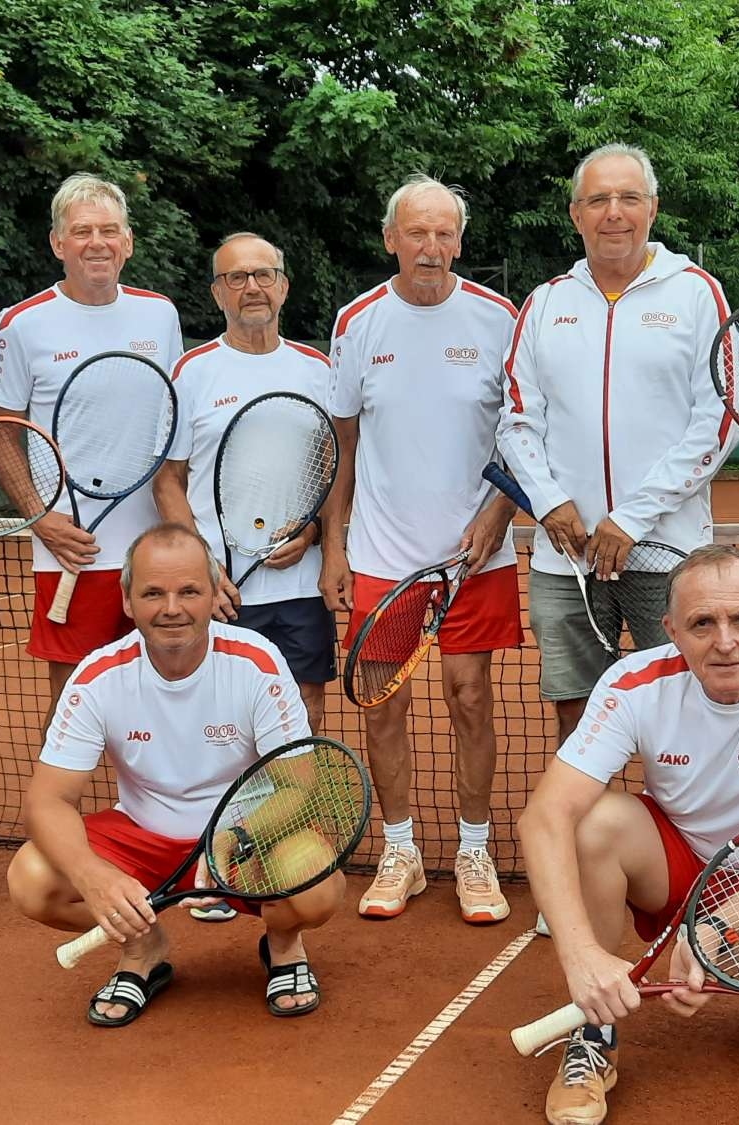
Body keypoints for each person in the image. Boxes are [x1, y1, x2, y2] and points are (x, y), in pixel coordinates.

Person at [519, 546, 739, 1124]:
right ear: (671, 629)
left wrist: (711, 933)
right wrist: (580, 958)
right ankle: (594, 1032)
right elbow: (543, 818)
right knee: (592, 822)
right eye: (702, 623)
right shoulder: (633, 683)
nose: (724, 641)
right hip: (677, 863)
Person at [7, 523, 344, 1026]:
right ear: (127, 601)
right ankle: (143, 947)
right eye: (153, 593)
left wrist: (232, 839)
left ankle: (284, 943)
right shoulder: (98, 676)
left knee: (316, 885)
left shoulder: (257, 663)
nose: (171, 608)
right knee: (31, 881)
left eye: (189, 591)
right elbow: (47, 801)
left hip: (245, 840)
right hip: (144, 837)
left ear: (214, 595)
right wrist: (93, 877)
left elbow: (299, 786)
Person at [320, 174, 521, 924]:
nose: (431, 248)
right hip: (380, 557)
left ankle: (475, 849)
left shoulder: (500, 317)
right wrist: (334, 549)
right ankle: (399, 849)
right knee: (383, 707)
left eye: (444, 233)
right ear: (391, 239)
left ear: (459, 241)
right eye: (417, 233)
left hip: (476, 558)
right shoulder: (357, 321)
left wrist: (500, 510)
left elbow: (523, 435)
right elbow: (342, 446)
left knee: (472, 700)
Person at [498, 143, 739, 751]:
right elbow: (516, 420)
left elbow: (721, 419)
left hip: (667, 552)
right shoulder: (546, 301)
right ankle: (589, 842)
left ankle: (692, 841)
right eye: (598, 199)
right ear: (576, 214)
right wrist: (551, 503)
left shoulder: (696, 292)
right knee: (576, 714)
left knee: (690, 705)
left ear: (652, 209)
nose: (614, 212)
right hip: (565, 556)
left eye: (629, 198)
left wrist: (631, 519)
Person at [160, 231, 335, 923]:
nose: (252, 288)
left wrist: (318, 529)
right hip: (220, 588)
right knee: (221, 724)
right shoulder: (192, 371)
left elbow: (336, 471)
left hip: (298, 585)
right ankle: (218, 854)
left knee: (305, 716)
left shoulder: (321, 370)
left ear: (285, 285)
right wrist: (201, 562)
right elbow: (168, 483)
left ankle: (282, 839)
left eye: (263, 275)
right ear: (217, 293)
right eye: (236, 278)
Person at [0, 173, 183, 732]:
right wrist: (39, 517)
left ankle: (144, 813)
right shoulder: (20, 325)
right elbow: (1, 432)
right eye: (81, 232)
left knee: (160, 692)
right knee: (74, 700)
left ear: (128, 242)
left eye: (109, 230)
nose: (97, 242)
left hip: (153, 548)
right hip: (72, 548)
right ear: (57, 244)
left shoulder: (160, 315)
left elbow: (173, 427)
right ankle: (61, 813)